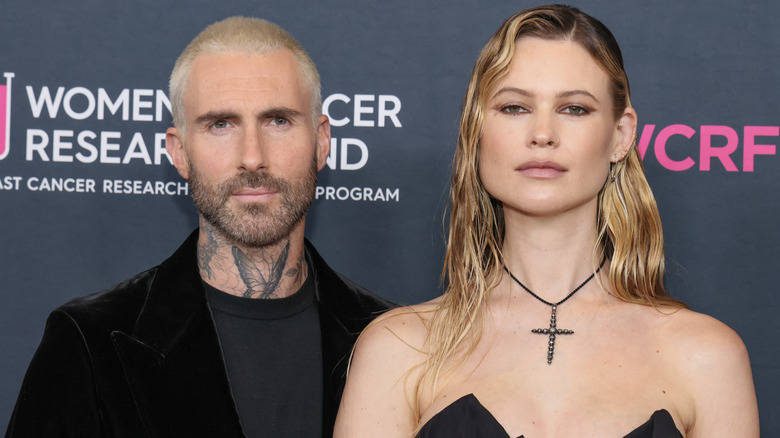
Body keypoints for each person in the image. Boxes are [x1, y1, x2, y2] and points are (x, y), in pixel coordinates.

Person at [335, 5, 759, 438]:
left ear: (621, 135)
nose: (542, 133)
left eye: (574, 109)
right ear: (476, 131)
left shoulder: (706, 358)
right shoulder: (399, 350)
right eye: (514, 107)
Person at [6, 16, 392, 438]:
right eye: (220, 124)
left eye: (278, 120)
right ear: (179, 152)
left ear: (321, 142)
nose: (251, 156)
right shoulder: (91, 342)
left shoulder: (394, 340)